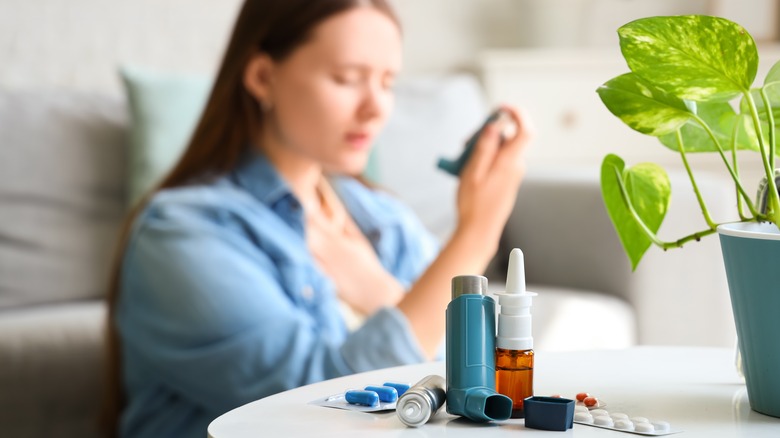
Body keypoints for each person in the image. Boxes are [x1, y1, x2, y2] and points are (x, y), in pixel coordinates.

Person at [103, 0, 533, 437]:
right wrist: (476, 236)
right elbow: (309, 409)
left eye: (387, 82)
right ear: (262, 77)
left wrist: (380, 291)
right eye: (348, 79)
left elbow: (460, 383)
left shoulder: (381, 216)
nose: (376, 108)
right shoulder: (180, 235)